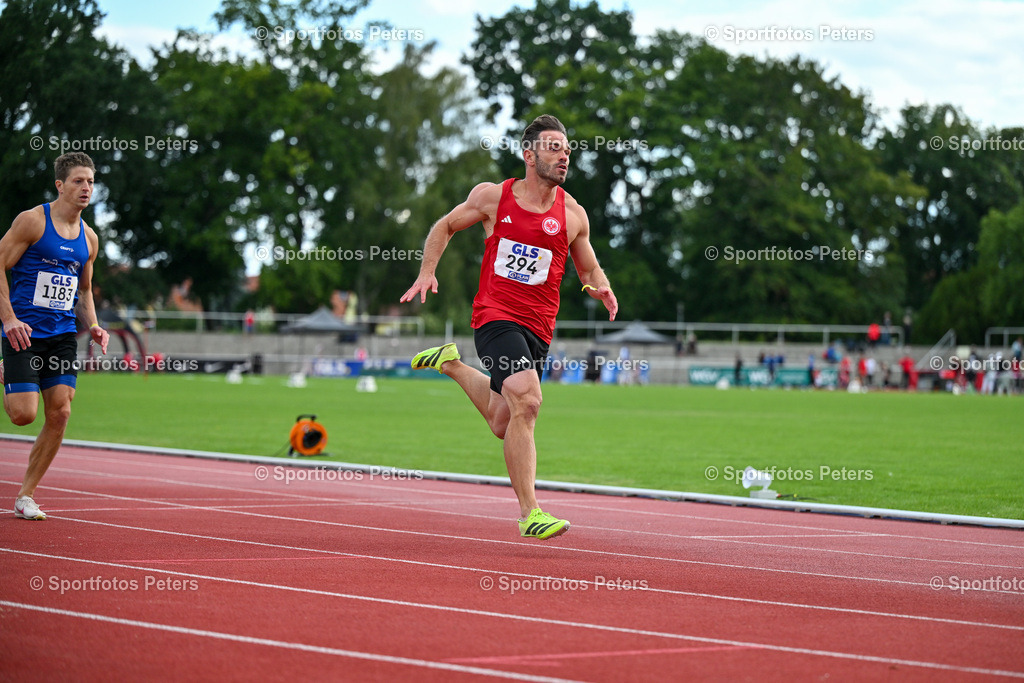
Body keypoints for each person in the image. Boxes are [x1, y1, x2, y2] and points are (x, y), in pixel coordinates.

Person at [400, 115, 617, 540]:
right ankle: (530, 512)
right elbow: (444, 225)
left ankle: (452, 365)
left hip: (539, 328)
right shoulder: (493, 197)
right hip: (495, 316)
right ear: (529, 153)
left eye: (567, 149)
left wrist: (601, 287)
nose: (564, 155)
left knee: (505, 419)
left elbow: (587, 263)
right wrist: (427, 271)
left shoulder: (572, 212)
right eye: (554, 147)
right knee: (529, 400)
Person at [0, 152, 109, 520]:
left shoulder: (89, 238)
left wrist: (93, 324)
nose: (86, 188)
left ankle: (26, 495)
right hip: (24, 333)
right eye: (78, 181)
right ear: (60, 185)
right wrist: (10, 318)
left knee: (61, 412)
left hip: (62, 334)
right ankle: (8, 373)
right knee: (23, 416)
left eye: (91, 182)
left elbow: (84, 290)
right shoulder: (32, 222)